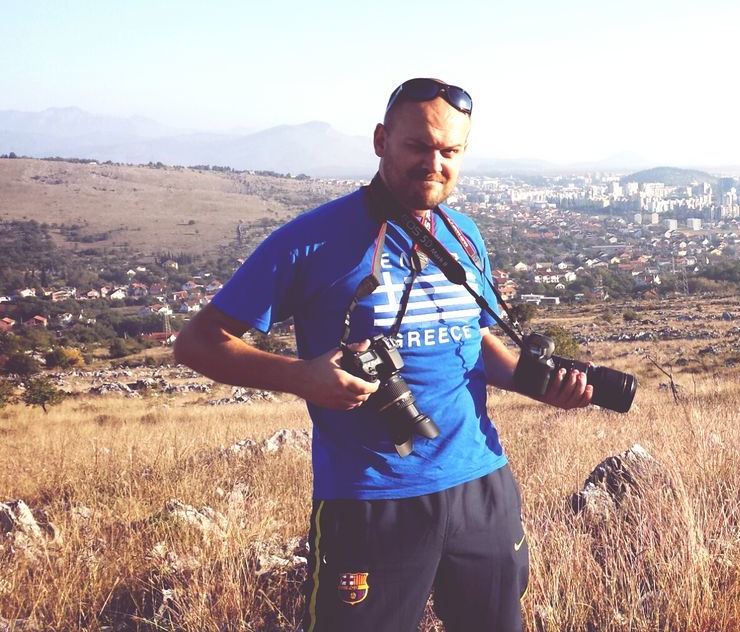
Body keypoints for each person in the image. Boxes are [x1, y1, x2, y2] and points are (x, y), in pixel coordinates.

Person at [174, 78, 591, 632]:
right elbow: (197, 342)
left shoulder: (465, 237)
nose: (434, 163)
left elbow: (474, 344)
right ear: (381, 141)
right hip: (371, 497)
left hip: (481, 485)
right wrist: (302, 377)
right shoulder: (310, 240)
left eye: (450, 151)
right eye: (418, 146)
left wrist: (541, 385)